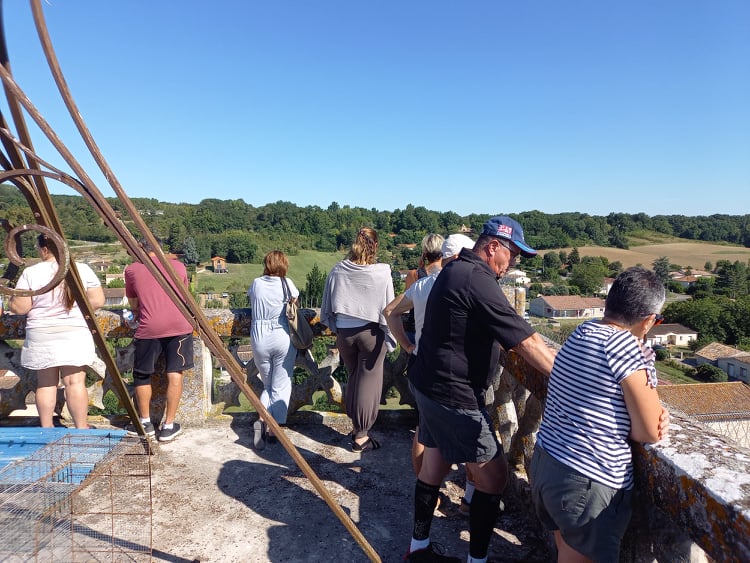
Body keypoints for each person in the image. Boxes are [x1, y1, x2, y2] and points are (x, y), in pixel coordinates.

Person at [405, 216, 557, 563]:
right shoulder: (477, 277)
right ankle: (477, 560)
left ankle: (418, 549)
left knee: (434, 465)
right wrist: (572, 375)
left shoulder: (454, 269)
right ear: (493, 247)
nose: (513, 263)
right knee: (495, 476)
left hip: (428, 383)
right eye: (512, 254)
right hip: (452, 393)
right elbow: (527, 341)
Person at [530, 267, 670, 563]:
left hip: (548, 464)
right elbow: (648, 431)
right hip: (585, 481)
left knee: (565, 551)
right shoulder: (624, 346)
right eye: (656, 321)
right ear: (648, 319)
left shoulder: (583, 331)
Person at [10, 233, 104, 429]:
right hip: (75, 332)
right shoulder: (82, 269)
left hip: (41, 332)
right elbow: (97, 301)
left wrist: (12, 300)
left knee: (46, 384)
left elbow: (20, 308)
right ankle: (81, 427)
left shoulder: (31, 272)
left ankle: (46, 428)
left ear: (45, 249)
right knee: (75, 382)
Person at [320, 227, 395, 453]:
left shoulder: (338, 269)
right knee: (368, 384)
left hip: (345, 334)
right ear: (375, 246)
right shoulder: (382, 272)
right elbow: (389, 307)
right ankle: (361, 437)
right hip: (371, 334)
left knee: (354, 378)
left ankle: (355, 427)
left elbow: (328, 303)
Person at [124, 238, 194, 442]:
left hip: (150, 327)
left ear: (139, 250)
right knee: (175, 373)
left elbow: (134, 304)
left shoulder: (132, 270)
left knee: (142, 375)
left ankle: (145, 423)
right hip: (180, 325)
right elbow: (184, 295)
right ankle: (169, 426)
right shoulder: (178, 267)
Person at [247, 250, 300, 450]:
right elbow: (295, 302)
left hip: (259, 336)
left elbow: (251, 299)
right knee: (281, 385)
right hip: (282, 335)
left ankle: (262, 419)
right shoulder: (287, 283)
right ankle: (275, 430)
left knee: (268, 385)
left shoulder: (256, 283)